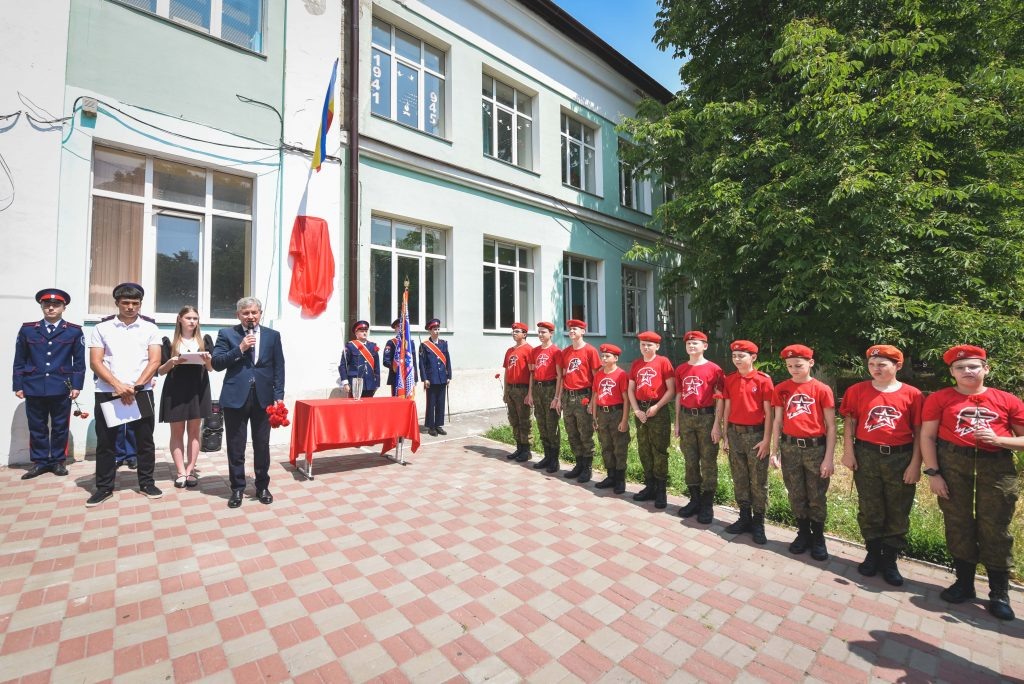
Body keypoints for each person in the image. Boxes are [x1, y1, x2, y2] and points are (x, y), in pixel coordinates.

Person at [920, 344, 1024, 621]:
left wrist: (999, 440)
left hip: (997, 469)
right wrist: (933, 473)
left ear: (985, 369)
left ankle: (999, 592)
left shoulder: (1007, 400)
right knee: (958, 523)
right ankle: (964, 583)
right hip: (953, 466)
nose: (967, 371)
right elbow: (927, 436)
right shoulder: (940, 398)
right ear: (952, 372)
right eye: (960, 367)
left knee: (996, 528)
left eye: (973, 366)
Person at [839, 345, 922, 586]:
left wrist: (916, 463)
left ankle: (890, 559)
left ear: (897, 366)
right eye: (872, 364)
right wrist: (848, 453)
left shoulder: (913, 395)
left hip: (900, 457)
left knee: (898, 509)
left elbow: (919, 432)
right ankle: (873, 552)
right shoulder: (857, 390)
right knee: (870, 506)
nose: (876, 369)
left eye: (882, 364)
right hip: (867, 454)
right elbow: (850, 424)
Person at [86, 283, 162, 507]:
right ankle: (104, 487)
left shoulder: (150, 328)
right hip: (108, 392)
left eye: (135, 303)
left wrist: (136, 387)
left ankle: (147, 483)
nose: (130, 307)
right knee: (106, 442)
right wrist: (118, 386)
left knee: (145, 441)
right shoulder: (102, 328)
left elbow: (155, 360)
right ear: (117, 303)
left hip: (142, 392)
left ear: (140, 304)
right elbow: (95, 362)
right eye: (126, 303)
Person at [212, 297, 285, 509]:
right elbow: (217, 363)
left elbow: (279, 366)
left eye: (254, 312)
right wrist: (240, 348)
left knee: (262, 444)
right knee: (236, 445)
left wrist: (278, 394)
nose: (250, 316)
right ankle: (237, 488)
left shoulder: (273, 336)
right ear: (238, 315)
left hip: (264, 397)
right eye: (245, 313)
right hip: (235, 397)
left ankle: (262, 485)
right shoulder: (227, 334)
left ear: (260, 313)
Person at [771, 344, 836, 560]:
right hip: (790, 447)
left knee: (816, 494)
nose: (794, 369)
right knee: (796, 493)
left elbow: (831, 426)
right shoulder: (781, 388)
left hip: (815, 448)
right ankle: (803, 533)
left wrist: (828, 458)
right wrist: (775, 450)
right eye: (789, 366)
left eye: (798, 365)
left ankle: (818, 538)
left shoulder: (822, 389)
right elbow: (777, 421)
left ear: (811, 363)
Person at [13, 288, 85, 479]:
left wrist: (77, 385)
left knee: (60, 425)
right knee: (37, 425)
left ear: (64, 307)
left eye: (56, 305)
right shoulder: (28, 329)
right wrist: (18, 384)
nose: (51, 308)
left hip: (62, 384)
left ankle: (58, 461)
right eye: (47, 304)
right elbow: (19, 359)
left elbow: (79, 362)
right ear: (42, 306)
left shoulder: (74, 331)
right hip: (34, 384)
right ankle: (40, 462)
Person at [720, 340, 774, 544]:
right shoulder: (730, 379)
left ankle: (758, 522)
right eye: (734, 356)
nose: (737, 359)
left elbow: (769, 413)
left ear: (753, 358)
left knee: (758, 480)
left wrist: (767, 440)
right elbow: (727, 407)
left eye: (741, 356)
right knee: (739, 476)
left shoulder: (763, 380)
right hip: (735, 433)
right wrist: (725, 435)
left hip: (756, 436)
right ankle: (744, 517)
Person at [157, 306, 213, 489]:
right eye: (188, 317)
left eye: (195, 318)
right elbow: (160, 371)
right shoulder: (168, 342)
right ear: (179, 319)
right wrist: (171, 362)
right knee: (177, 432)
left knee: (195, 432)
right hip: (176, 390)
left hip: (198, 388)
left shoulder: (205, 340)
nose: (192, 321)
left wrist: (207, 360)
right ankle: (180, 471)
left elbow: (211, 369)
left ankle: (190, 471)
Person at [674, 330, 725, 523]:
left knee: (708, 461)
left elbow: (720, 399)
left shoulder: (715, 369)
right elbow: (679, 396)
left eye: (696, 343)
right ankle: (694, 499)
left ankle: (707, 503)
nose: (691, 346)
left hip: (706, 417)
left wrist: (716, 425)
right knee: (690, 459)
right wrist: (677, 423)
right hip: (687, 417)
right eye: (688, 343)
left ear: (705, 346)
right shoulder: (680, 369)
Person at [628, 331, 676, 506]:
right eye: (642, 344)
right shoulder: (636, 364)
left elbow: (671, 390)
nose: (645, 347)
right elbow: (630, 389)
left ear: (657, 346)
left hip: (658, 410)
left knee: (659, 450)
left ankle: (661, 490)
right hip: (641, 410)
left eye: (649, 344)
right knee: (644, 448)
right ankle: (650, 486)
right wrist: (635, 410)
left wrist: (657, 406)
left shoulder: (663, 362)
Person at [559, 319, 601, 482]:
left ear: (583, 331)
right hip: (568, 396)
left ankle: (587, 467)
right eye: (570, 329)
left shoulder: (590, 351)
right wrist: (560, 397)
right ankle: (579, 464)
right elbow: (563, 376)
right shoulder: (566, 352)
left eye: (576, 329)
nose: (572, 331)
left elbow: (596, 378)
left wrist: (592, 401)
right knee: (572, 432)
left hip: (584, 396)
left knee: (585, 432)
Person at [591, 344, 629, 493]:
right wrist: (594, 417)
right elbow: (594, 396)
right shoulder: (599, 374)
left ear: (616, 358)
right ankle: (610, 476)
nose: (604, 358)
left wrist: (624, 420)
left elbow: (626, 399)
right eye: (603, 356)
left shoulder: (621, 374)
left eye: (607, 356)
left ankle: (620, 479)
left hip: (616, 413)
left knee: (619, 447)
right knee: (605, 446)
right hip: (601, 414)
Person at [526, 321, 563, 473]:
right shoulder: (534, 351)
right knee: (541, 423)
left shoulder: (556, 352)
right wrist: (530, 393)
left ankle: (554, 459)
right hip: (538, 389)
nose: (540, 335)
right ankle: (547, 456)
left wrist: (557, 397)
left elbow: (560, 376)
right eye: (539, 332)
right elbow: (532, 374)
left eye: (544, 332)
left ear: (551, 334)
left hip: (550, 389)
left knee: (551, 424)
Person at [502, 322, 533, 462]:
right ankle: (519, 447)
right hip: (511, 389)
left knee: (524, 420)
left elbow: (532, 373)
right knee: (514, 419)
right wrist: (505, 391)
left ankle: (526, 450)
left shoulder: (529, 350)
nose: (514, 333)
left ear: (524, 334)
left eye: (517, 331)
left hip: (523, 389)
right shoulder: (509, 350)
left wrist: (530, 393)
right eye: (513, 331)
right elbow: (507, 371)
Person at [419, 318, 451, 436]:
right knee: (431, 402)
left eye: (438, 329)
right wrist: (425, 378)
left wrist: (449, 375)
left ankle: (438, 425)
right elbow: (422, 363)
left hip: (442, 377)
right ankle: (431, 426)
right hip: (431, 378)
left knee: (440, 402)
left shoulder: (443, 343)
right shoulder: (424, 345)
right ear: (430, 331)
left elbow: (447, 360)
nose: (437, 331)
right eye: (434, 329)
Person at [340, 320, 380, 397]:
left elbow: (376, 366)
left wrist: (377, 383)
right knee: (354, 407)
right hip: (355, 383)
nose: (364, 333)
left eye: (366, 331)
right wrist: (345, 382)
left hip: (370, 384)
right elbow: (343, 365)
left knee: (368, 407)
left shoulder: (372, 346)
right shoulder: (350, 346)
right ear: (356, 333)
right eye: (361, 331)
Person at [384, 318, 418, 396]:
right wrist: (398, 367)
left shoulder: (410, 343)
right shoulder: (391, 343)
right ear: (395, 329)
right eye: (399, 327)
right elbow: (386, 361)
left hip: (408, 376)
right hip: (396, 376)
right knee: (396, 401)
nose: (401, 329)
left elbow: (413, 362)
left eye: (403, 327)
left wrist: (415, 378)